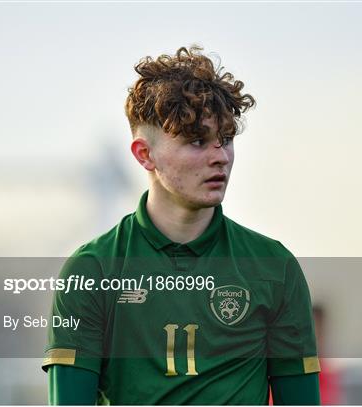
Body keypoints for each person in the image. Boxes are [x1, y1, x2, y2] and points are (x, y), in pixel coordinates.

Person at [42, 46, 321, 405]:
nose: (219, 155)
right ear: (145, 154)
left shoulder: (274, 266)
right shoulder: (92, 270)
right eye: (197, 141)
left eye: (226, 139)